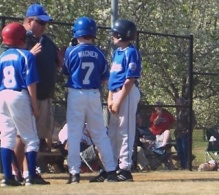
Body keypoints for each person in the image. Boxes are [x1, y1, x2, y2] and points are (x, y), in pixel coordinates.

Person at [0, 22, 50, 187]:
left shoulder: (1, 58)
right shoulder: (26, 55)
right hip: (19, 94)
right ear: (22, 38)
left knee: (7, 137)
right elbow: (31, 83)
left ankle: (7, 177)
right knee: (31, 138)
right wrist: (34, 106)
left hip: (2, 96)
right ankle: (31, 176)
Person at [62, 16, 118, 184]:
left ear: (76, 33)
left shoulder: (71, 51)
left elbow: (65, 72)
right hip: (93, 94)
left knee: (73, 134)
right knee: (100, 134)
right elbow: (104, 78)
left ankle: (74, 172)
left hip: (76, 94)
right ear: (93, 33)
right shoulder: (99, 53)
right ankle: (111, 170)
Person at [106, 19, 141, 182]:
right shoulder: (117, 53)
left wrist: (118, 99)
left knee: (125, 131)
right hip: (116, 93)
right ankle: (111, 166)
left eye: (114, 33)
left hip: (126, 93)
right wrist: (110, 97)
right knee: (112, 131)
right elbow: (113, 78)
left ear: (122, 35)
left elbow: (130, 79)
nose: (112, 36)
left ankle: (125, 168)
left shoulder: (131, 52)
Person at [149, 101, 175, 169]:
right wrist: (159, 115)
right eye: (157, 106)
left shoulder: (166, 114)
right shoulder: (154, 114)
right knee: (167, 147)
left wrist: (168, 126)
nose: (159, 108)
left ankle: (171, 164)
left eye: (160, 106)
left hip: (164, 136)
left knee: (167, 132)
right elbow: (155, 123)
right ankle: (168, 164)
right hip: (156, 136)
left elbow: (173, 121)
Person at [175, 97, 196, 169]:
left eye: (179, 103)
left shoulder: (188, 111)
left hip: (185, 134)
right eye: (177, 103)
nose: (177, 105)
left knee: (185, 150)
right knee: (179, 151)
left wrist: (188, 130)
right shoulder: (178, 112)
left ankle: (186, 165)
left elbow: (193, 122)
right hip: (178, 134)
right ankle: (182, 165)